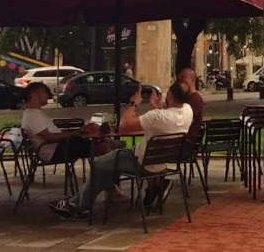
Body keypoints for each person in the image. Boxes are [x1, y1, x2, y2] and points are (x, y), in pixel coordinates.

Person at [53, 82, 193, 219]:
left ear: (170, 95)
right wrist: (158, 107)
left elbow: (124, 126)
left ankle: (79, 206)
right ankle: (88, 198)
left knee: (99, 164)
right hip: (160, 163)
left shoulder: (157, 116)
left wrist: (134, 103)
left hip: (141, 163)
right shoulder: (188, 111)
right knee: (110, 156)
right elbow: (168, 118)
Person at [20, 82, 97, 165]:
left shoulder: (33, 114)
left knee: (91, 141)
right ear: (34, 94)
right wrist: (74, 133)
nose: (48, 96)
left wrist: (77, 132)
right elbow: (49, 137)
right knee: (98, 145)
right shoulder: (33, 116)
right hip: (55, 152)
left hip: (58, 147)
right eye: (45, 92)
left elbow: (53, 134)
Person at [177, 67, 206, 142]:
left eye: (184, 77)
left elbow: (180, 119)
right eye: (180, 78)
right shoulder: (184, 98)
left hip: (186, 141)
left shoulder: (196, 99)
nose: (181, 81)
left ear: (192, 80)